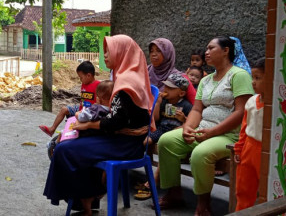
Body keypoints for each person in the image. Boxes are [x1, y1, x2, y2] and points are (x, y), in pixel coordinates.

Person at [44, 35, 154, 216]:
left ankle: (85, 198)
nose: (105, 56)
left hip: (127, 143)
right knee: (67, 143)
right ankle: (87, 198)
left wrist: (87, 126)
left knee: (65, 150)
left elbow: (114, 122)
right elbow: (115, 117)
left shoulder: (127, 81)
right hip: (120, 136)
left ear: (122, 52)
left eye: (109, 51)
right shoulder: (123, 76)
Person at [157, 36, 254, 215]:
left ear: (226, 51)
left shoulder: (239, 75)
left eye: (211, 48)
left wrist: (212, 132)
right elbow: (197, 109)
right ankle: (174, 192)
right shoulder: (205, 80)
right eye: (206, 48)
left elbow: (241, 112)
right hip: (203, 130)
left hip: (228, 135)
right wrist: (188, 127)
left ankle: (203, 203)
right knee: (166, 141)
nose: (206, 52)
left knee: (200, 154)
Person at [134, 73, 193, 201]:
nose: (165, 91)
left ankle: (154, 181)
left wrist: (184, 119)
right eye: (165, 87)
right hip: (161, 129)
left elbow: (190, 124)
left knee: (164, 146)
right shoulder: (164, 101)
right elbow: (155, 119)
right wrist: (158, 102)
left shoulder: (187, 106)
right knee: (146, 142)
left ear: (181, 93)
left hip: (174, 132)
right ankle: (149, 174)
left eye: (170, 89)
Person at [233, 58, 265, 211]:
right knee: (243, 188)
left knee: (266, 189)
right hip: (248, 148)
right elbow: (244, 128)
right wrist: (239, 149)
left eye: (258, 78)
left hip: (264, 151)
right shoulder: (251, 101)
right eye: (253, 77)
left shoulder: (276, 105)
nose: (253, 82)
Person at [39, 61, 100, 136]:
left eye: (81, 77)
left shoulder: (98, 86)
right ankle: (52, 129)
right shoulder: (84, 84)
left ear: (88, 75)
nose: (80, 80)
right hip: (80, 108)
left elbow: (98, 103)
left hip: (89, 112)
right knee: (64, 109)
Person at [148, 38, 196, 104]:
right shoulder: (144, 71)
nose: (153, 54)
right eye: (151, 51)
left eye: (159, 51)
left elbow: (196, 105)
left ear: (167, 53)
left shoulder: (180, 78)